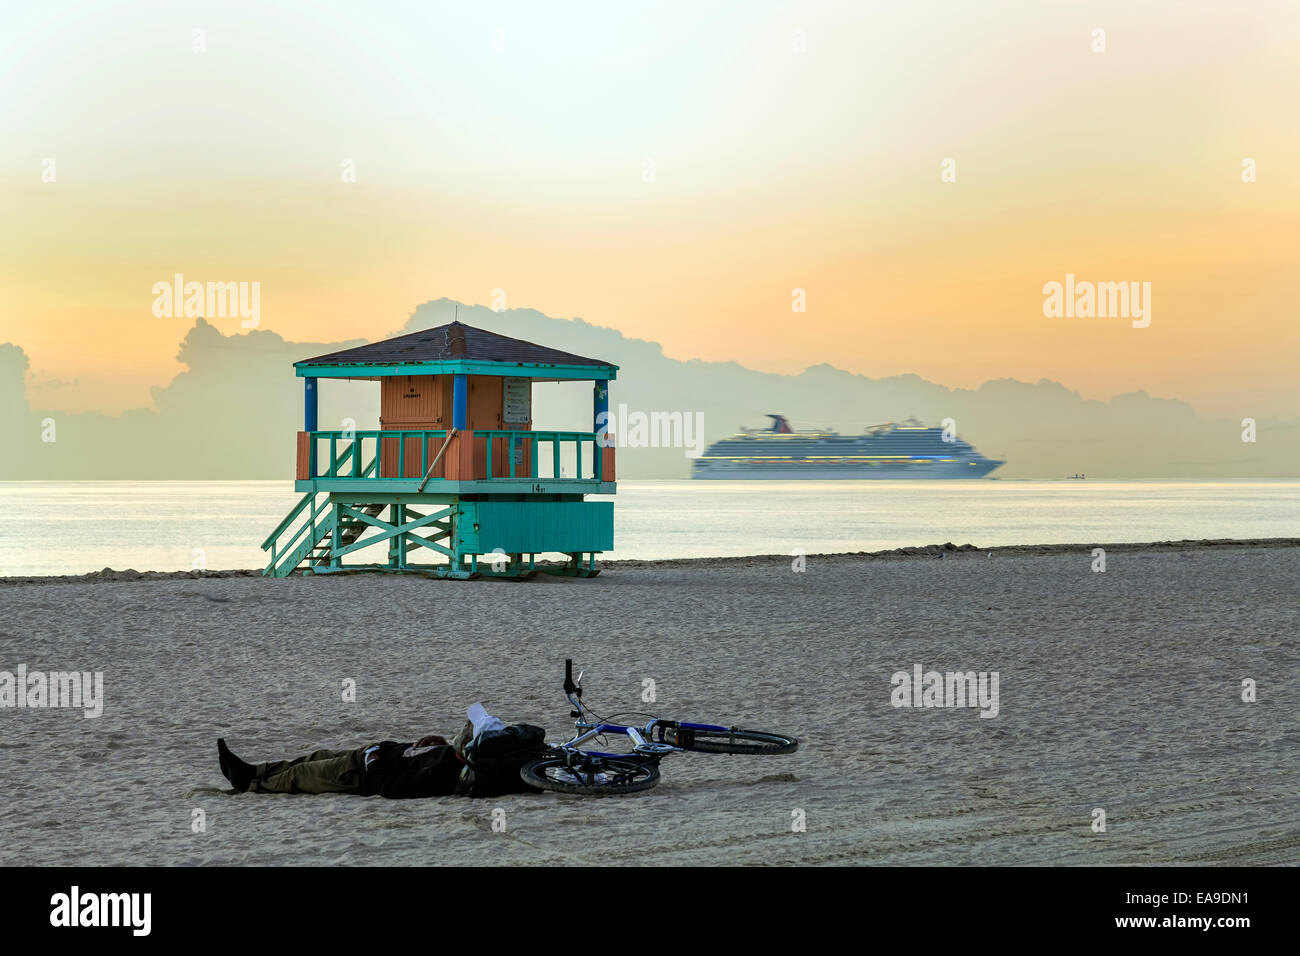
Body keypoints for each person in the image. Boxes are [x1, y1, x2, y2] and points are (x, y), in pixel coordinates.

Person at [217, 705, 546, 799]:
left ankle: (251, 784)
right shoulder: (453, 756)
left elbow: (392, 789)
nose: (463, 731)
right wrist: (437, 743)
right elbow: (438, 754)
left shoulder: (442, 774)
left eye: (467, 733)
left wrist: (372, 762)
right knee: (314, 756)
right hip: (378, 752)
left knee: (303, 775)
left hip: (360, 774)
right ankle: (256, 770)